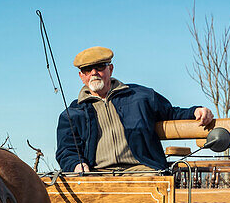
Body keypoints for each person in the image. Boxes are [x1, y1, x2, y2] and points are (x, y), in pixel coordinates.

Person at [55, 46, 215, 173]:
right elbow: (66, 150)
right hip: (98, 175)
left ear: (110, 69)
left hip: (144, 172)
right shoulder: (72, 114)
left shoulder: (140, 96)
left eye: (100, 67)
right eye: (87, 69)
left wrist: (196, 111)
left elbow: (171, 112)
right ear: (81, 76)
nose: (94, 73)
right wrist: (77, 165)